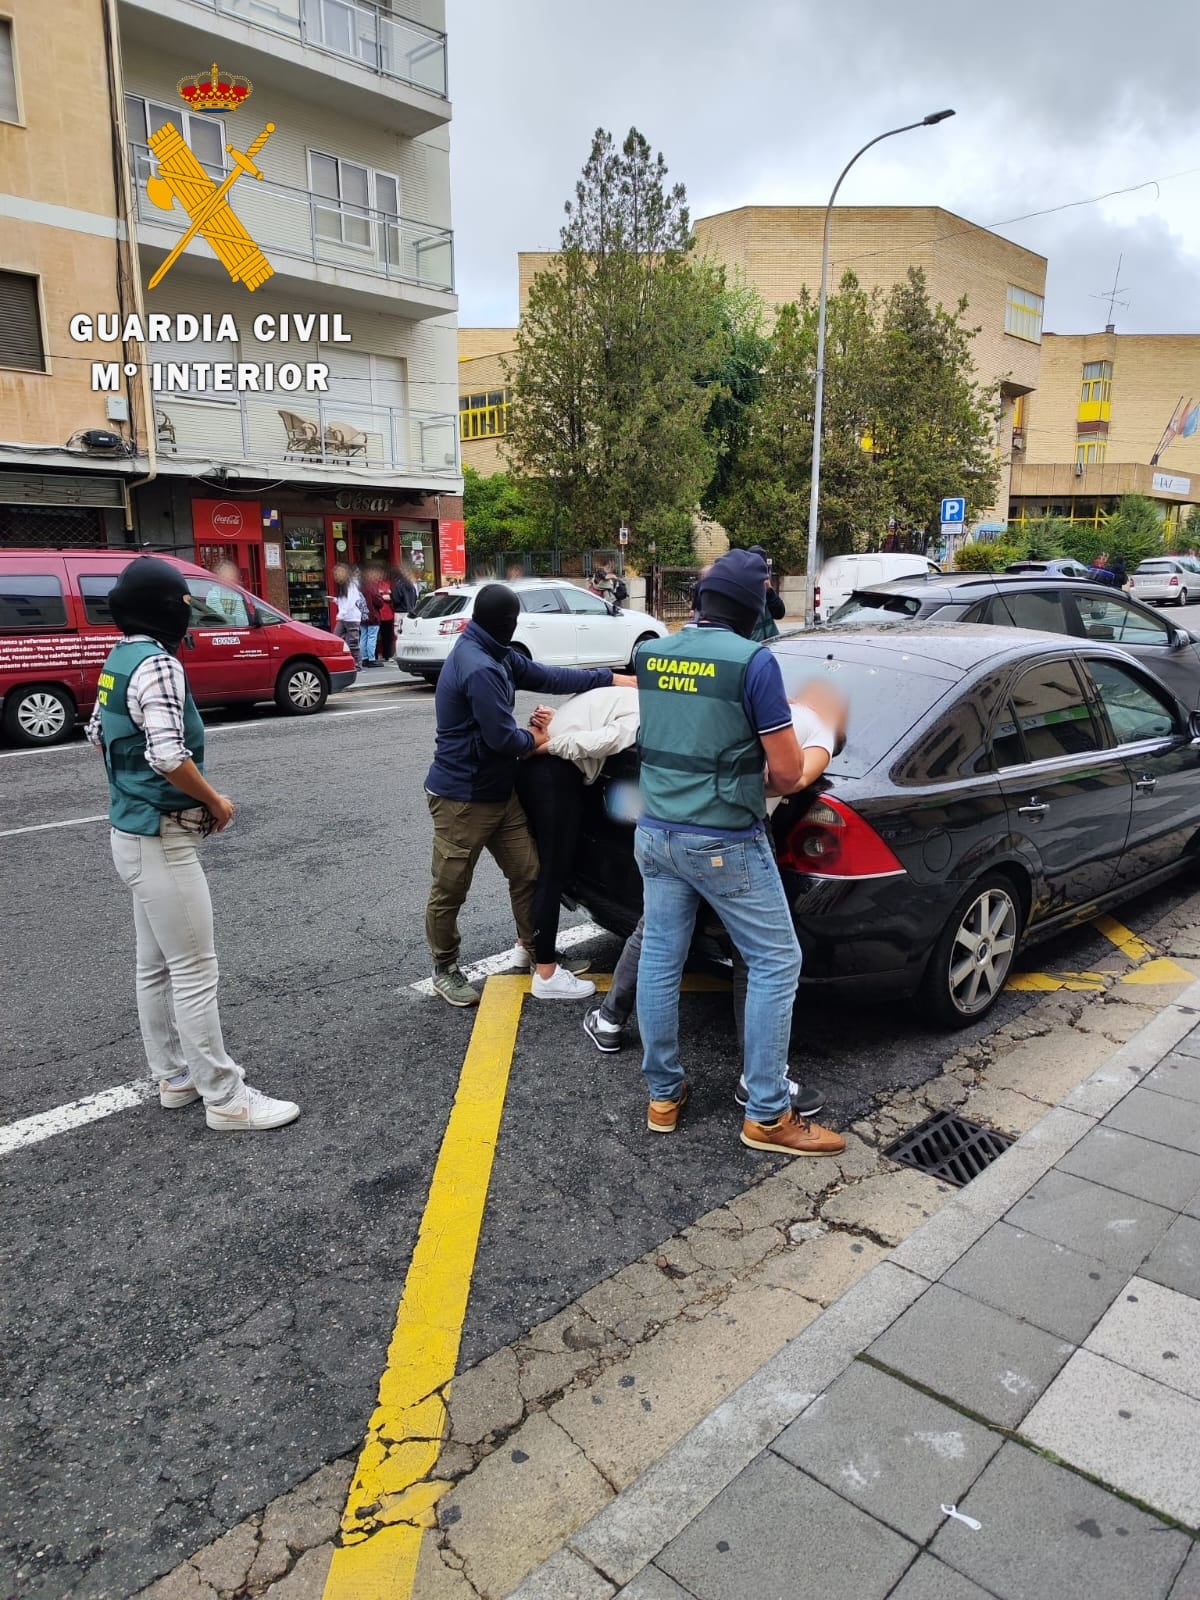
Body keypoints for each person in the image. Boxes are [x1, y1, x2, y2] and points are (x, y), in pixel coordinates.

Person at [630, 548, 845, 1157]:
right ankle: (769, 1115)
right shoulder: (753, 663)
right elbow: (782, 775)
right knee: (777, 961)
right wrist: (820, 751)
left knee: (661, 960)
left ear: (700, 602)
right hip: (724, 840)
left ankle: (664, 1096)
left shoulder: (654, 653)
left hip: (656, 834)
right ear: (753, 609)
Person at [86, 557, 299, 1132]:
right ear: (167, 609)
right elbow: (166, 753)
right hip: (162, 835)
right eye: (183, 605)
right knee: (196, 969)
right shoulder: (158, 664)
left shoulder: (120, 659)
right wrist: (214, 801)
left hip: (129, 831)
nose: (188, 615)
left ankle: (175, 1077)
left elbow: (100, 734)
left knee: (154, 965)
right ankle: (225, 1097)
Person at [584, 679, 848, 1127]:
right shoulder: (818, 727)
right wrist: (734, 790)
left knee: (659, 942)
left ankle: (616, 1031)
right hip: (731, 837)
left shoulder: (757, 702)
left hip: (669, 824)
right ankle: (760, 1082)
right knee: (764, 955)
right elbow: (795, 776)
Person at [423, 583, 635, 1007]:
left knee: (529, 873)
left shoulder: (497, 652)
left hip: (501, 793)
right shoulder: (479, 665)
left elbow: (548, 676)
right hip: (463, 799)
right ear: (505, 623)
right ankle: (445, 968)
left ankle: (536, 951)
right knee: (450, 889)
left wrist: (610, 676)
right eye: (513, 621)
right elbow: (503, 738)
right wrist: (538, 735)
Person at [515, 685, 640, 997]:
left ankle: (524, 946)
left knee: (544, 865)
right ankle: (545, 973)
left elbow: (583, 721)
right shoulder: (646, 710)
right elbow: (603, 739)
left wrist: (551, 731)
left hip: (532, 778)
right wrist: (546, 745)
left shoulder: (618, 694)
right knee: (553, 872)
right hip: (554, 779)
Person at [330, 563, 365, 666]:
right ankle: (345, 661)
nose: (336, 574)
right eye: (336, 573)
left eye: (339, 572)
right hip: (345, 617)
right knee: (336, 638)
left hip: (352, 618)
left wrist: (341, 614)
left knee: (353, 642)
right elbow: (344, 601)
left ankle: (357, 663)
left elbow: (351, 601)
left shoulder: (351, 585)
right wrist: (335, 600)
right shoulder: (343, 585)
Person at [748, 545, 785, 641]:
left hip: (772, 642)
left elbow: (779, 613)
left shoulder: (766, 590)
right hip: (753, 645)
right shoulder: (742, 590)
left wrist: (769, 591)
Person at [360, 564, 383, 666]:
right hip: (372, 615)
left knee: (363, 637)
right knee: (372, 637)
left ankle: (364, 658)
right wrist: (381, 598)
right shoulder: (372, 587)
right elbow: (379, 602)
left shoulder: (360, 586)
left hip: (362, 615)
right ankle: (371, 659)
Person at [373, 567, 397, 662]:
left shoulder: (387, 584)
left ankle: (387, 655)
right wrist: (384, 596)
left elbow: (393, 596)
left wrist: (388, 596)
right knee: (374, 637)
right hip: (378, 614)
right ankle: (374, 656)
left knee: (387, 636)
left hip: (388, 614)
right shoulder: (373, 585)